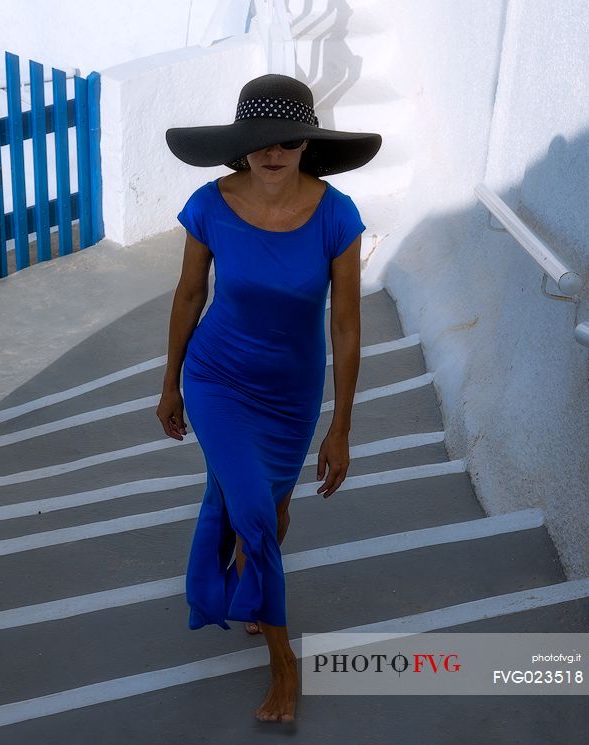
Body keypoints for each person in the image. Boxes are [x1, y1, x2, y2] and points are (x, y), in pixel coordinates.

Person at [156, 74, 381, 723]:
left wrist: (341, 425)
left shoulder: (338, 215)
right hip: (218, 377)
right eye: (260, 140)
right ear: (241, 145)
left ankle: (251, 577)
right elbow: (189, 297)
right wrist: (171, 381)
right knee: (253, 508)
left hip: (291, 392)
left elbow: (345, 322)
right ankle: (285, 667)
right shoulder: (209, 204)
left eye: (287, 139)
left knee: (271, 509)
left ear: (307, 143)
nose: (273, 151)